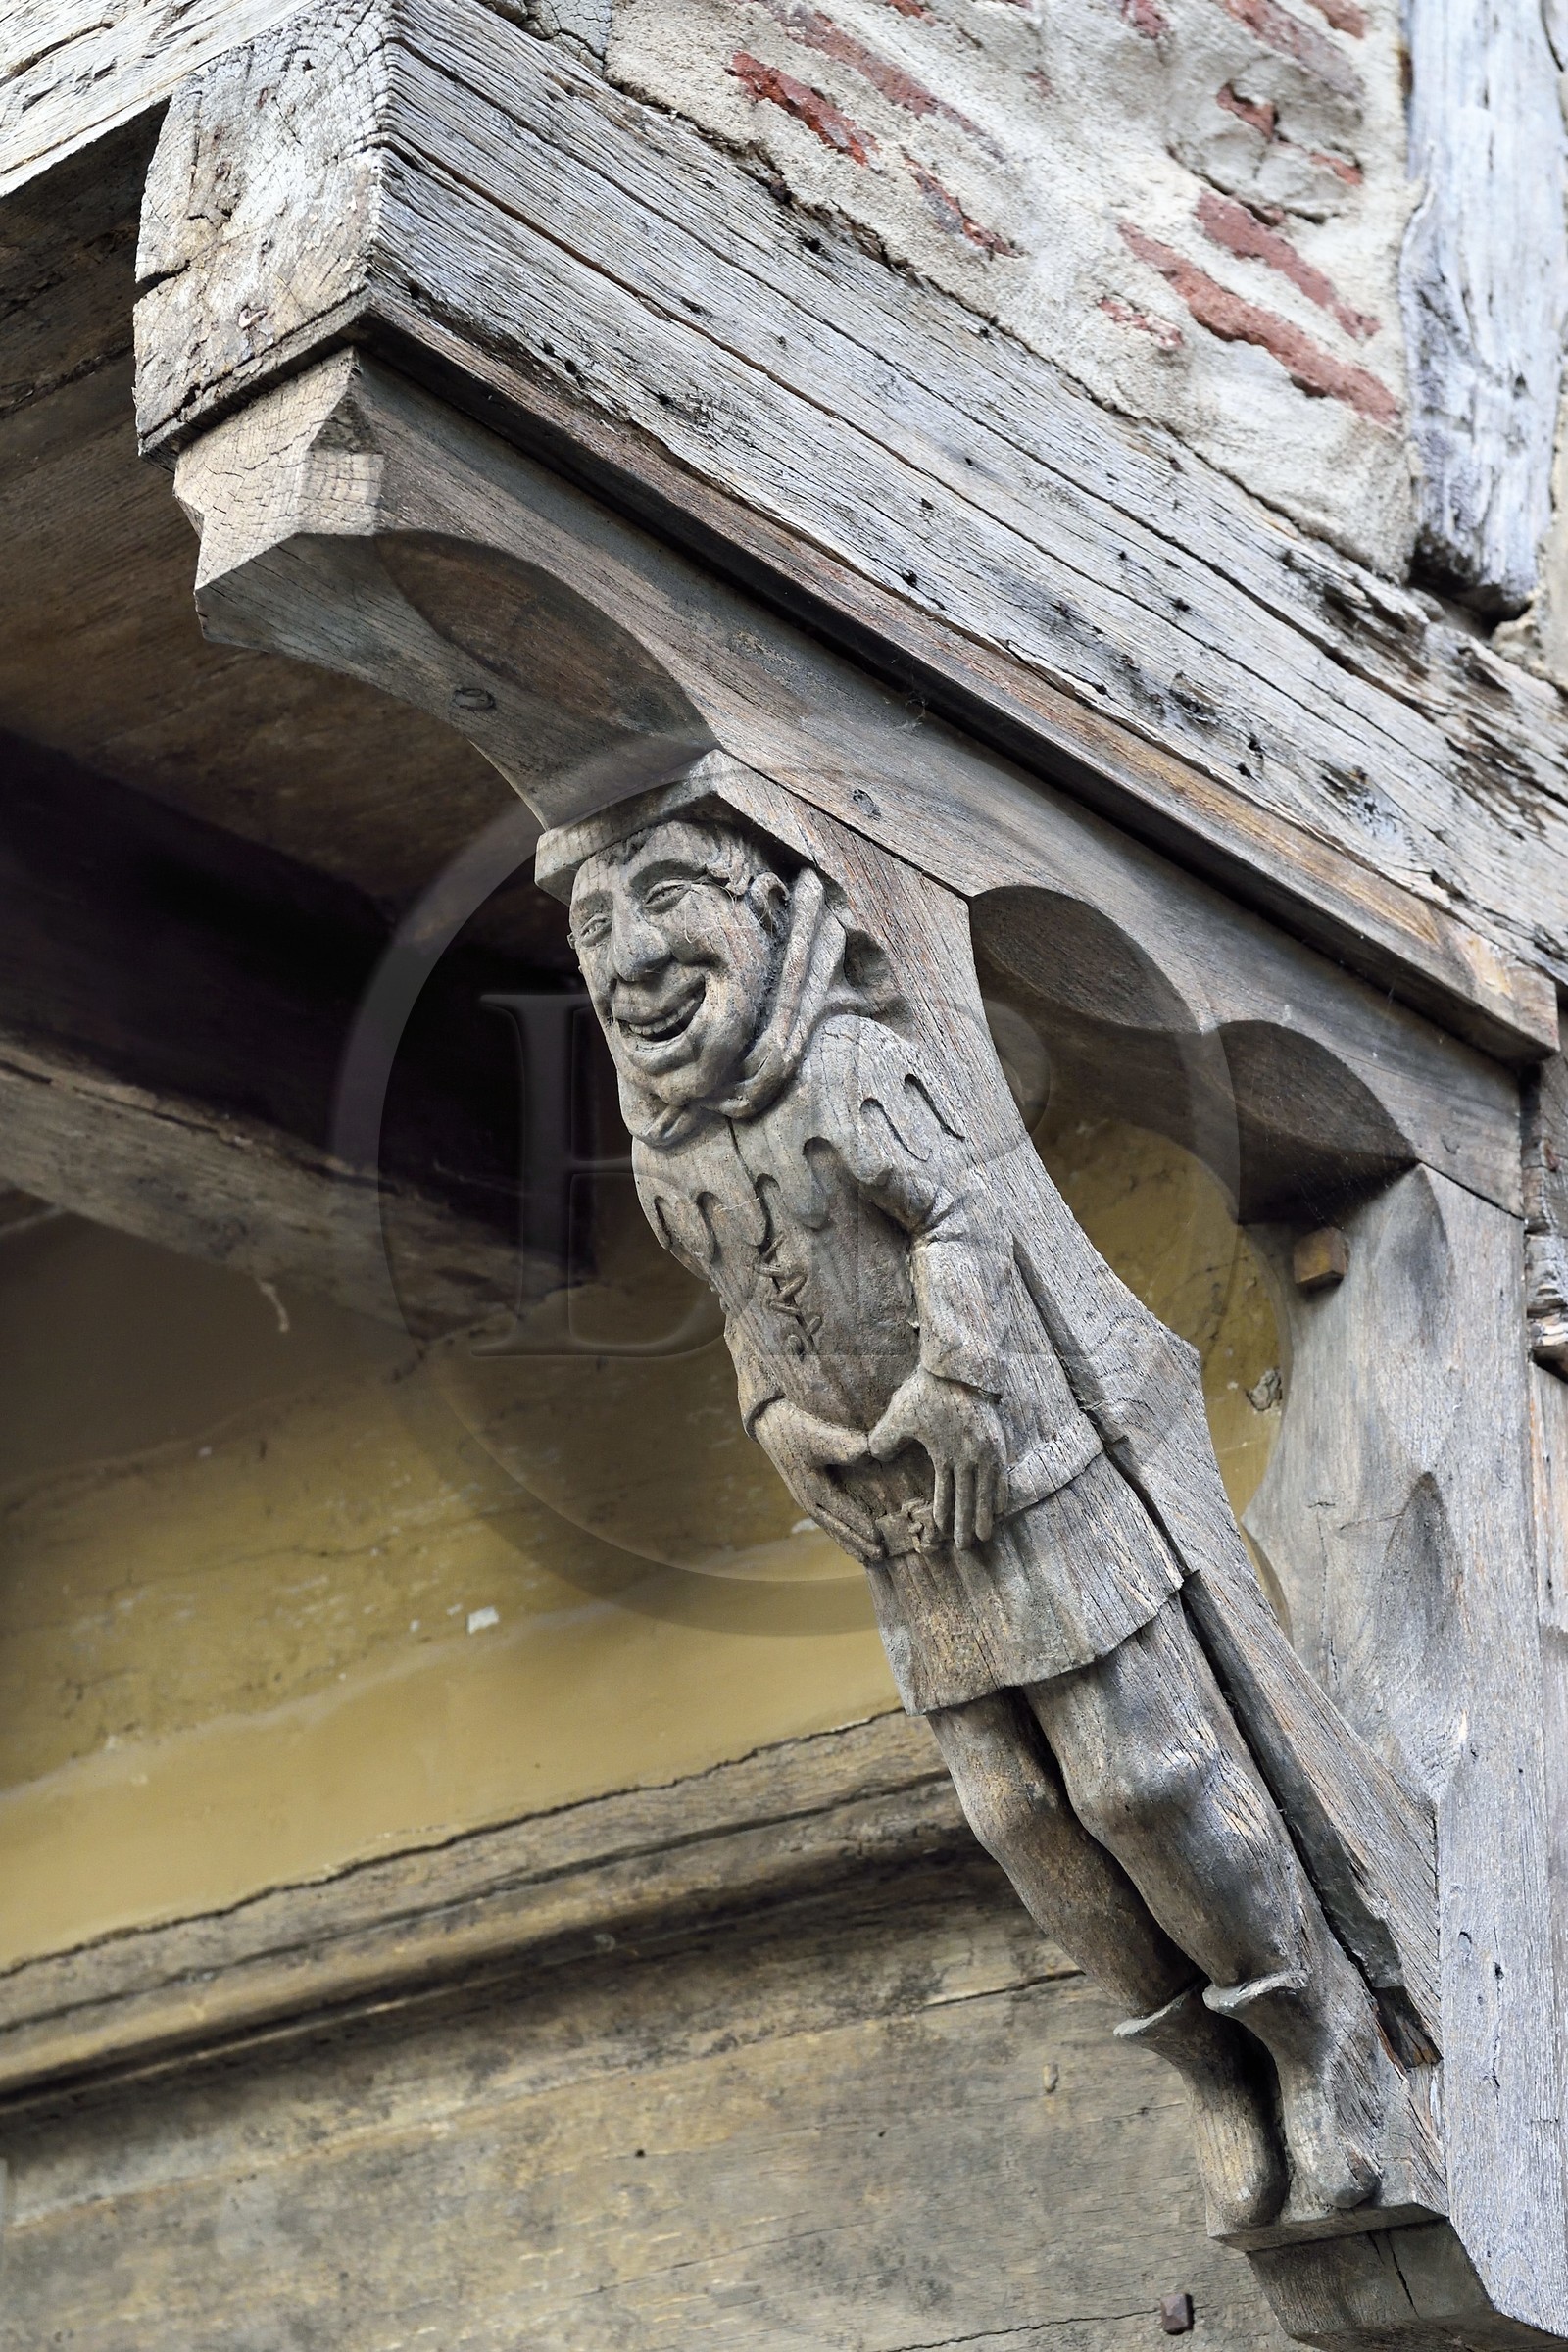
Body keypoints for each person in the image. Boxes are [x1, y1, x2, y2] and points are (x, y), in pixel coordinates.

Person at [564, 807, 1387, 2231]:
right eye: (593, 932)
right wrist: (778, 1427)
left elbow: (961, 1218)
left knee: (1142, 1782)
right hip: (903, 1532)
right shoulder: (669, 1161)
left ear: (765, 909)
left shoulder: (848, 1064)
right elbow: (749, 1314)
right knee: (1018, 1818)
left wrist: (956, 1378)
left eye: (671, 895)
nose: (631, 959)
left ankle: (1315, 2038)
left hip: (1028, 1484)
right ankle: (1206, 2068)